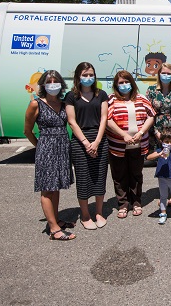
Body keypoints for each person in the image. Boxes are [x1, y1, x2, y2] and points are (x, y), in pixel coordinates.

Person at [24, 70, 75, 241]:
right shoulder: (36, 104)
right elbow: (28, 130)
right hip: (46, 149)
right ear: (43, 85)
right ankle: (53, 229)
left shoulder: (63, 104)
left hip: (62, 149)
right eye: (49, 81)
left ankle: (56, 219)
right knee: (47, 190)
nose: (52, 84)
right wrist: (40, 147)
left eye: (56, 81)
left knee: (57, 186)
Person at [106, 70, 156, 219]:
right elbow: (107, 120)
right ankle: (123, 203)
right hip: (118, 145)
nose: (124, 85)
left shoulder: (141, 98)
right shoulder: (111, 99)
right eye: (121, 82)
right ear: (116, 85)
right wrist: (124, 135)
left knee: (136, 175)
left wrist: (140, 133)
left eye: (126, 82)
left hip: (138, 145)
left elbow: (151, 116)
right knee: (119, 175)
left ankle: (136, 202)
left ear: (132, 83)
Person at [66, 62, 109, 230]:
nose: (88, 78)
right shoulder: (71, 96)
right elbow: (71, 121)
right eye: (85, 75)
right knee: (83, 180)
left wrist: (97, 142)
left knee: (99, 177)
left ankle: (99, 212)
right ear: (78, 77)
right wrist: (86, 143)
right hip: (80, 141)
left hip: (99, 139)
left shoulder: (102, 94)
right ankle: (85, 215)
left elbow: (104, 118)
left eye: (91, 75)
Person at [146, 63, 171, 208]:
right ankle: (163, 194)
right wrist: (157, 132)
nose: (166, 76)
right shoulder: (151, 90)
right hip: (157, 130)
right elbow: (148, 112)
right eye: (163, 73)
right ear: (158, 74)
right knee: (162, 159)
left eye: (169, 73)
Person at [147, 127, 171, 224]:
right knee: (163, 196)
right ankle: (163, 213)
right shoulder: (160, 150)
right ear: (162, 141)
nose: (169, 144)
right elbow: (148, 157)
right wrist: (158, 155)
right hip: (162, 176)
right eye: (166, 141)